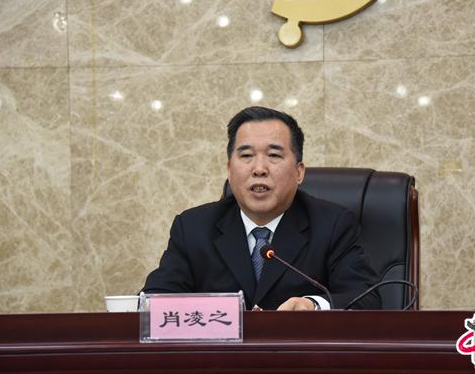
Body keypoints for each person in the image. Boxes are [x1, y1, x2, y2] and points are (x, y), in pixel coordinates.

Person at [142, 107, 381, 310]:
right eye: (246, 155)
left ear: (299, 172)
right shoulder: (193, 227)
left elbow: (366, 299)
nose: (259, 169)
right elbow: (154, 301)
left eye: (274, 155)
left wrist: (313, 305)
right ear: (229, 169)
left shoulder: (333, 225)